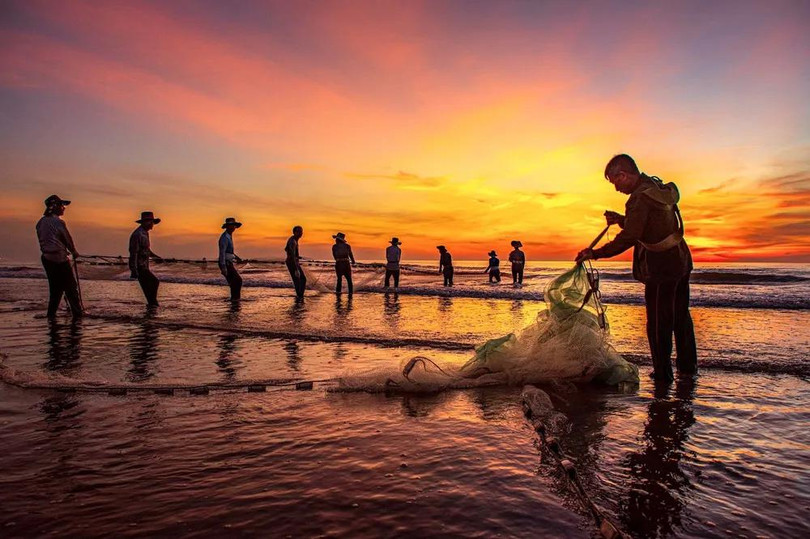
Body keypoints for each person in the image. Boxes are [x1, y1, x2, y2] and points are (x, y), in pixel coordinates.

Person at [576, 154, 697, 383]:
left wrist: (595, 253)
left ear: (623, 175)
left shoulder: (638, 199)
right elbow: (649, 223)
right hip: (680, 259)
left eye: (615, 182)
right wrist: (621, 219)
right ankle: (687, 369)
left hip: (661, 266)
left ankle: (663, 374)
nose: (616, 188)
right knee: (680, 317)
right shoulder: (654, 185)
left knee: (658, 322)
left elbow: (630, 236)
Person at [35, 195, 83, 317]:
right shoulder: (58, 222)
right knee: (71, 289)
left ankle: (51, 314)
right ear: (55, 206)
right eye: (62, 205)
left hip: (47, 258)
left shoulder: (40, 222)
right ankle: (77, 314)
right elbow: (67, 238)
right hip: (59, 259)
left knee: (55, 290)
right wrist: (74, 252)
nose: (64, 208)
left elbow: (49, 240)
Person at [129, 211, 163, 307]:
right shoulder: (137, 235)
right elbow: (133, 253)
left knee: (149, 287)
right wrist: (133, 269)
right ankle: (152, 303)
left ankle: (152, 304)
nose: (152, 224)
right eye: (151, 222)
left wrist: (156, 257)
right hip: (139, 267)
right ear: (145, 222)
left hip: (145, 266)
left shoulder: (145, 233)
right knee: (155, 282)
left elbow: (147, 250)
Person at [218, 217, 243, 300]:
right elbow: (222, 253)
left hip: (228, 262)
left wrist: (237, 258)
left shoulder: (229, 236)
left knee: (234, 282)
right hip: (225, 262)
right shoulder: (224, 238)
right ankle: (235, 299)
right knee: (238, 281)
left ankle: (235, 299)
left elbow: (229, 252)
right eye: (231, 226)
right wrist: (223, 267)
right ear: (227, 226)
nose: (233, 228)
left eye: (233, 226)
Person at [285, 225, 306, 299]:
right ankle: (300, 296)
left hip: (292, 261)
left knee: (299, 279)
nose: (301, 233)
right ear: (294, 232)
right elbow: (292, 255)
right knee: (301, 279)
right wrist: (296, 268)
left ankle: (299, 295)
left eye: (301, 232)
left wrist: (297, 257)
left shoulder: (294, 240)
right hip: (292, 262)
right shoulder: (293, 241)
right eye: (299, 232)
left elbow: (287, 250)